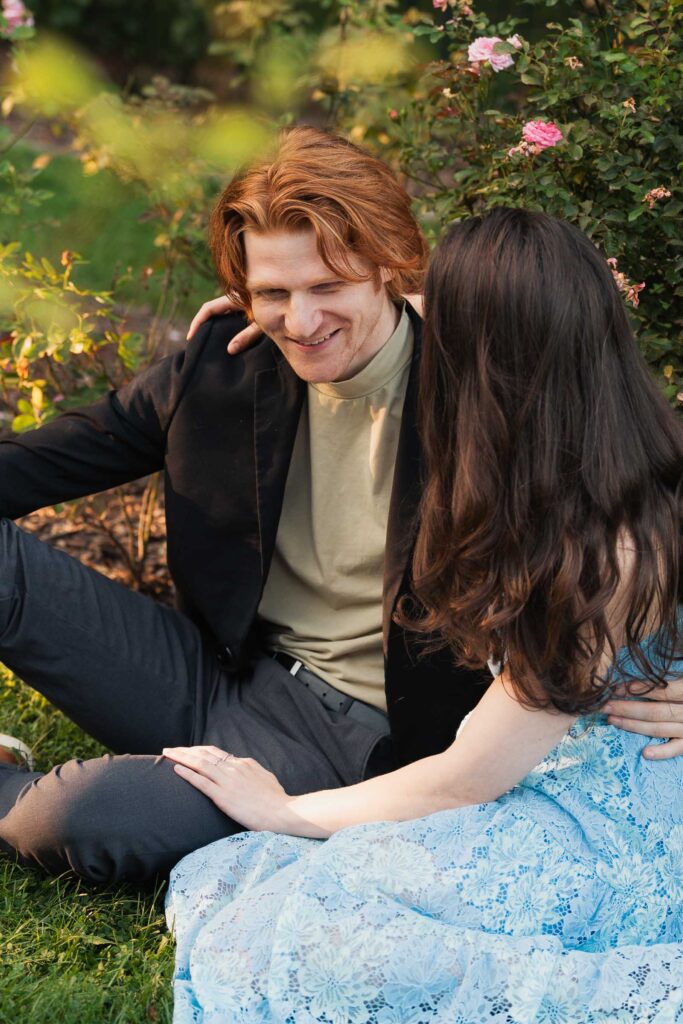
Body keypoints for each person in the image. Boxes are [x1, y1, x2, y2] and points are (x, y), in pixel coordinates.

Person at [0, 127, 681, 883]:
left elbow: (635, 505)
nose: (300, 322)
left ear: (390, 269)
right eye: (273, 292)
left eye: (327, 287)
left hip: (357, 745)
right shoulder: (226, 365)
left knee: (82, 818)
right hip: (217, 674)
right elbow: (40, 462)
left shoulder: (489, 381)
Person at [164, 208, 683, 1023]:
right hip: (544, 780)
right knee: (248, 891)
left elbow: (470, 774)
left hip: (604, 826)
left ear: (485, 361)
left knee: (316, 927)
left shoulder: (602, 547)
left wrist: (287, 811)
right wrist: (277, 314)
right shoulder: (608, 444)